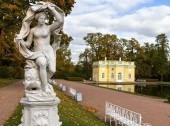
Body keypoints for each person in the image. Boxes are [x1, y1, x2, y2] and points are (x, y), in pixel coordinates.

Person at [15, 2, 64, 93]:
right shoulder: (33, 30)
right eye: (41, 18)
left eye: (44, 18)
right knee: (42, 63)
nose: (43, 20)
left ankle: (41, 82)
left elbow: (60, 21)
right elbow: (28, 44)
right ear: (37, 18)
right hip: (38, 52)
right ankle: (45, 87)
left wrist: (52, 9)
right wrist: (20, 41)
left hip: (48, 50)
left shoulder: (49, 28)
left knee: (52, 70)